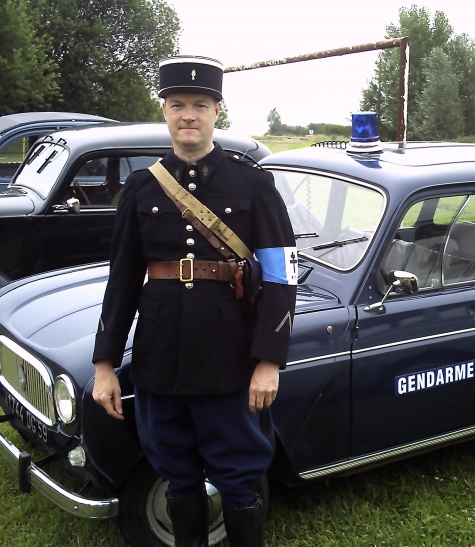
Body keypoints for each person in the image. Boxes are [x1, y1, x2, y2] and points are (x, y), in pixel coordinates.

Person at [91, 55, 297, 547]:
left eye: (199, 104)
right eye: (177, 104)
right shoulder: (142, 187)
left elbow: (282, 275)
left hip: (231, 357)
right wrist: (104, 364)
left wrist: (268, 359)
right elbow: (121, 280)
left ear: (217, 111)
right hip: (160, 356)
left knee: (240, 474)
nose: (188, 114)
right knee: (175, 472)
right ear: (164, 110)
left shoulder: (253, 183)